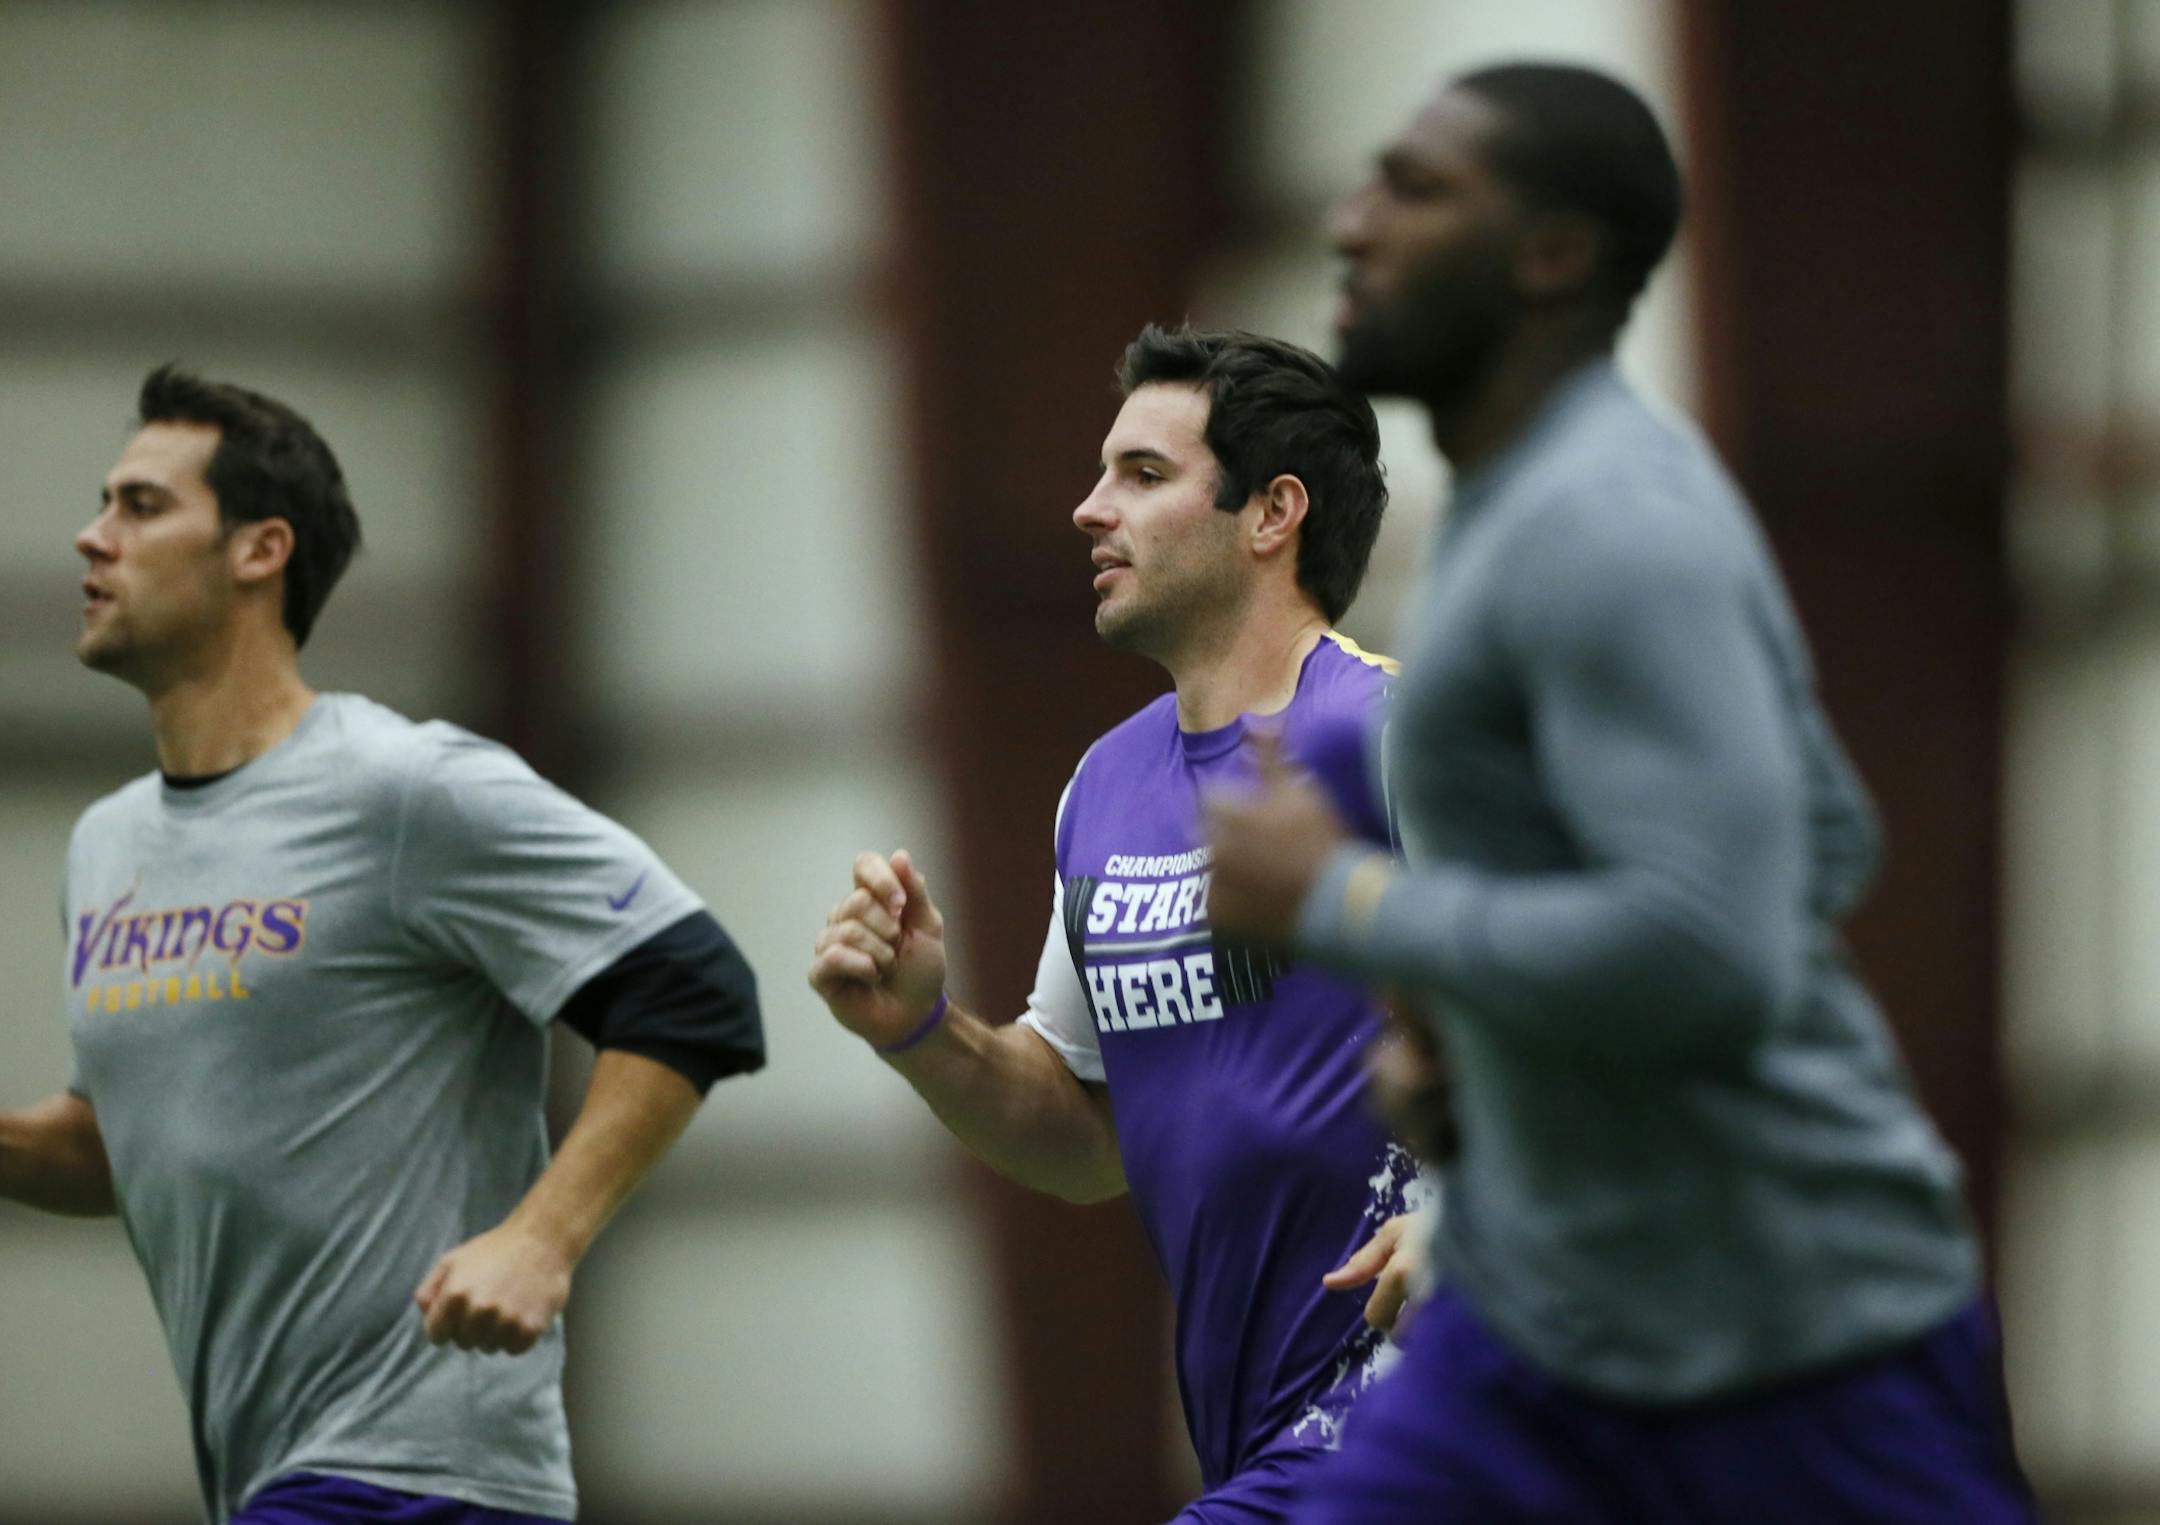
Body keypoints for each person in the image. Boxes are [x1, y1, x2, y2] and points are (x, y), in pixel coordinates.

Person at [1203, 63, 2036, 1523]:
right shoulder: (1523, 507)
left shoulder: (1607, 526)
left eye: (1414, 190)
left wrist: (1338, 897)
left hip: (1793, 1336)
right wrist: (1503, 1059)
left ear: (1553, 255)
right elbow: (1824, 835)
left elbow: (1706, 947)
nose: (1350, 224)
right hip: (1544, 1330)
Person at [0, 366, 765, 1525]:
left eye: (141, 506)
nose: (90, 536)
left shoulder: (402, 790)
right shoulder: (108, 848)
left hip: (423, 1481)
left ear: (261, 549)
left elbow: (696, 985)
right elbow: (126, 1142)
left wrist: (539, 1239)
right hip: (273, 1477)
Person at [809, 325, 1430, 1523]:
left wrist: (1481, 1212)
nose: (1091, 509)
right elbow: (1091, 1136)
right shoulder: (1103, 785)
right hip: (1253, 1437)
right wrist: (924, 1031)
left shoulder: (1397, 738)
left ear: (1271, 513)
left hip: (1413, 1411)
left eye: (1142, 475)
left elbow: (1618, 987)